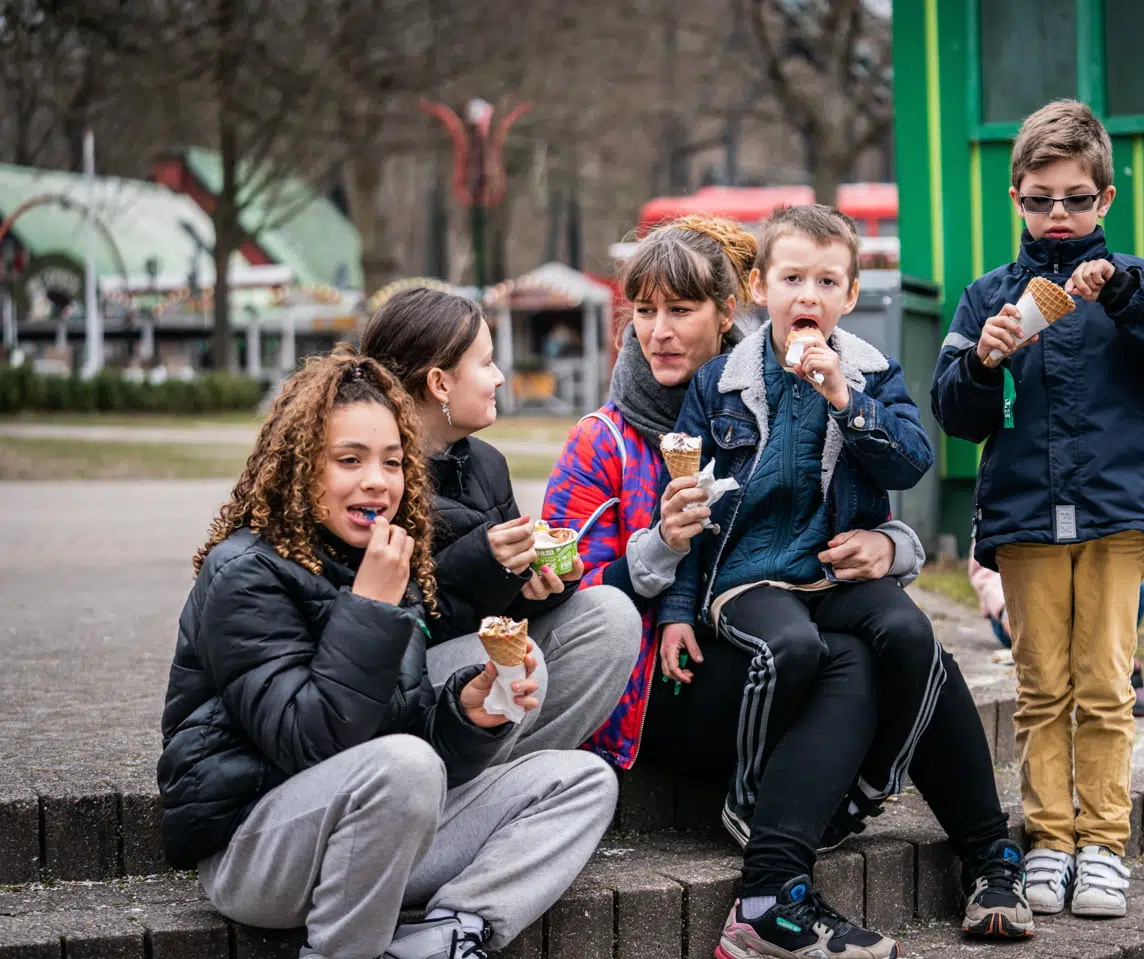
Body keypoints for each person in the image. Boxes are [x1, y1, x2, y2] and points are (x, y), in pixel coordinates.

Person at [552, 209, 1027, 958]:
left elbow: (853, 483)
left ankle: (988, 859)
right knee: (843, 656)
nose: (660, 331)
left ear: (727, 310)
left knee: (905, 642)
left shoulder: (793, 378)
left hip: (774, 621)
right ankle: (781, 874)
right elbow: (568, 594)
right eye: (646, 312)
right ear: (763, 288)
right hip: (659, 677)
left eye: (682, 310)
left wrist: (893, 543)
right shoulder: (606, 438)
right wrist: (660, 554)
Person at [157, 349, 616, 959]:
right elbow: (312, 743)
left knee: (583, 780)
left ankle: (449, 935)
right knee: (405, 766)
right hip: (258, 847)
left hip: (375, 829)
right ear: (300, 467)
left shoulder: (384, 559)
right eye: (350, 460)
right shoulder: (244, 573)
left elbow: (402, 724)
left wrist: (464, 712)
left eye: (393, 462)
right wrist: (368, 609)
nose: (377, 480)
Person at [931, 99, 1144, 919]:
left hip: (1117, 515)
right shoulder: (988, 294)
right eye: (1040, 198)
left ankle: (1103, 845)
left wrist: (1125, 291)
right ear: (1015, 197)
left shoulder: (1138, 278)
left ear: (1105, 200)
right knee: (1040, 689)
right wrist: (983, 363)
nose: (1058, 214)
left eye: (1076, 198)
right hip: (1024, 522)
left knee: (1105, 685)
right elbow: (955, 414)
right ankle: (1049, 839)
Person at [362, 288, 642, 757]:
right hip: (397, 694)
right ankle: (473, 784)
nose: (499, 377)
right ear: (440, 384)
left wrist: (546, 582)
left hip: (470, 663)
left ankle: (512, 775)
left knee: (610, 614)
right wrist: (487, 565)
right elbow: (397, 629)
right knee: (509, 663)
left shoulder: (486, 463)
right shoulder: (372, 480)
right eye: (487, 363)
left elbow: (503, 612)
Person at [969, 545, 1144, 716]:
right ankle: (1094, 668)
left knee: (1140, 586)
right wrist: (1005, 607)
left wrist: (1122, 589)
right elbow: (985, 573)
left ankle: (1108, 668)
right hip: (1016, 604)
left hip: (1074, 597)